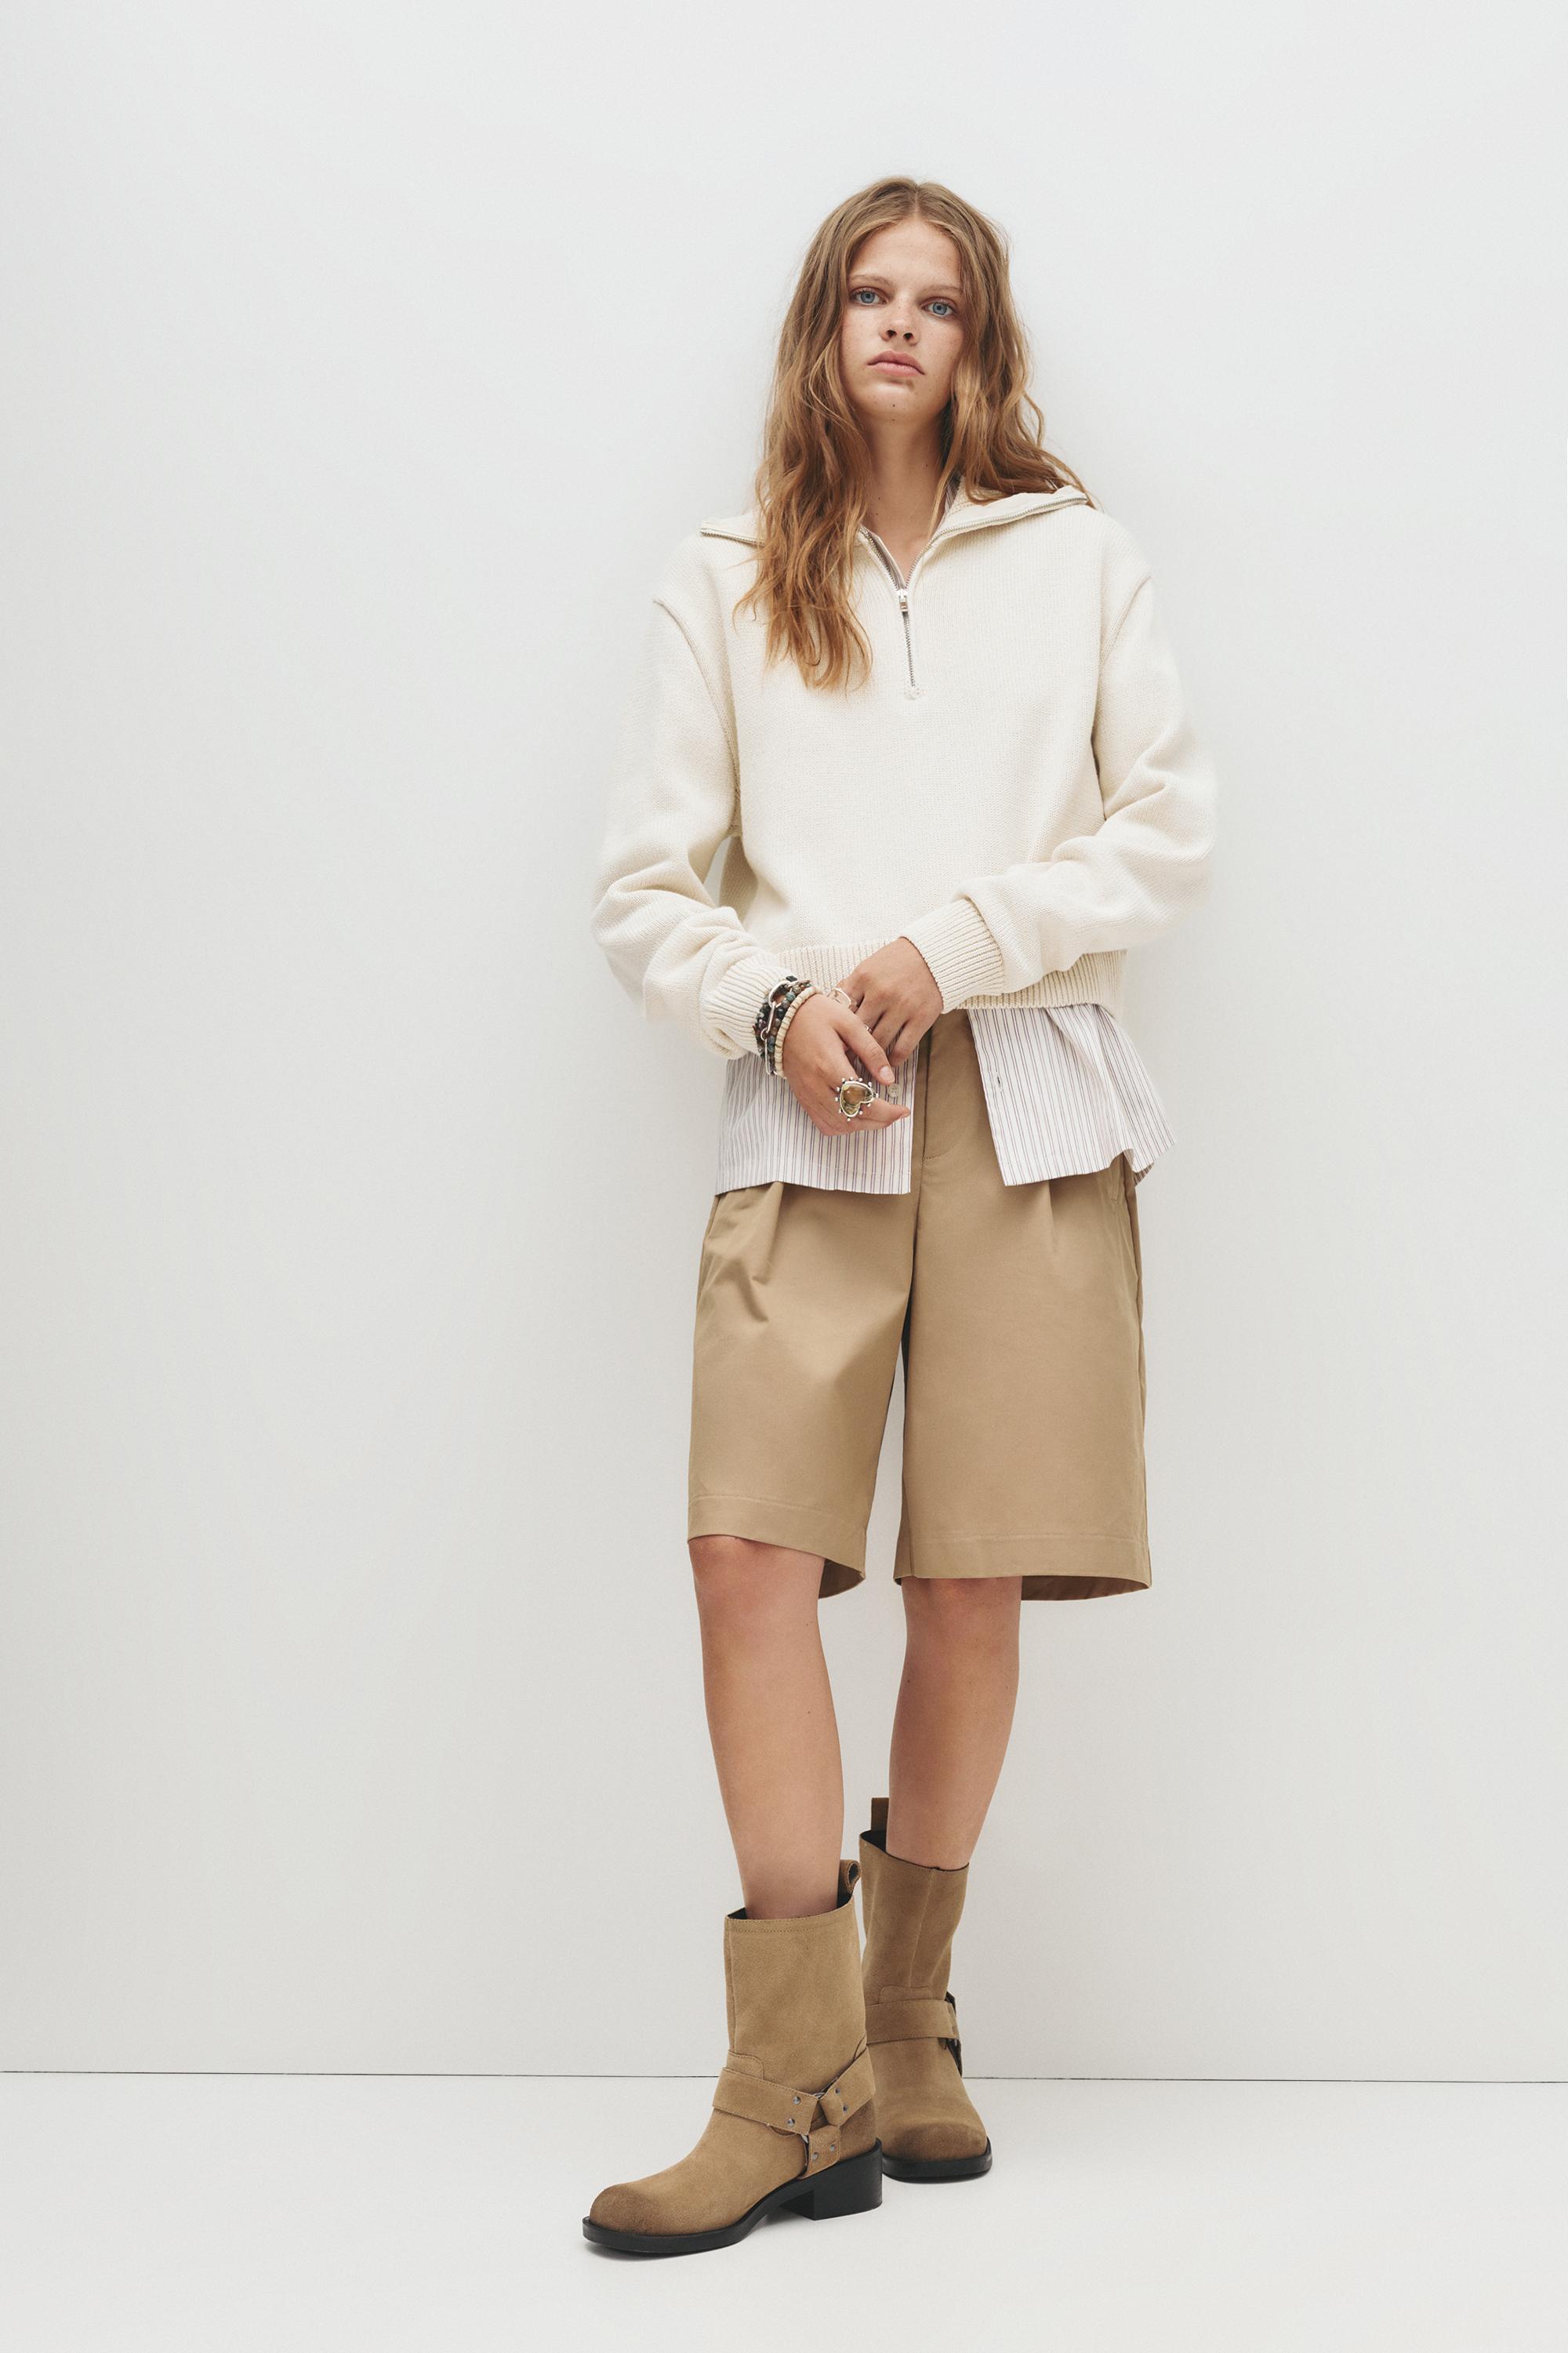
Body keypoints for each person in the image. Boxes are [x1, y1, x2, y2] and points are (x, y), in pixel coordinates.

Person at [582, 175, 1218, 2257]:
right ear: (822, 321)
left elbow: (1168, 835)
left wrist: (954, 943)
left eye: (938, 301)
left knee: (972, 1575)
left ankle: (903, 2019)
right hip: (808, 1107)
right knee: (746, 1549)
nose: (899, 325)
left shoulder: (1081, 558)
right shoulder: (727, 578)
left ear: (980, 340)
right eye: (869, 291)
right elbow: (645, 892)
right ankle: (789, 2084)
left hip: (1025, 1095)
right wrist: (779, 1005)